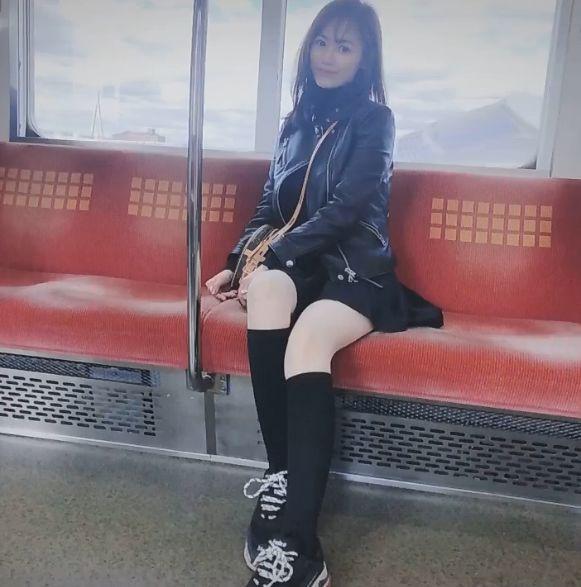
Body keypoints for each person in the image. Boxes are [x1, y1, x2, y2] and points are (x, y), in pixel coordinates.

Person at [205, 1, 443, 584]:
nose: (329, 56)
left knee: (307, 337)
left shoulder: (375, 121)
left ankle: (299, 546)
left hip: (356, 269)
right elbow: (270, 207)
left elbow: (349, 207)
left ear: (364, 59)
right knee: (265, 294)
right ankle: (282, 476)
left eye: (345, 45)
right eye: (322, 42)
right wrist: (238, 264)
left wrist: (276, 256)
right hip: (301, 266)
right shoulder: (294, 122)